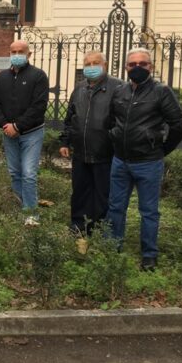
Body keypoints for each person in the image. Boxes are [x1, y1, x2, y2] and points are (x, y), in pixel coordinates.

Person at [105, 47, 182, 271]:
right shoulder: (120, 91)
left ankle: (149, 256)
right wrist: (114, 138)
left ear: (150, 67)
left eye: (142, 64)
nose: (137, 68)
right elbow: (112, 121)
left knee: (149, 211)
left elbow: (178, 126)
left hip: (148, 162)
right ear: (126, 67)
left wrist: (160, 149)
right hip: (120, 161)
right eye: (133, 65)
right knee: (115, 207)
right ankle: (112, 248)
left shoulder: (162, 92)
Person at [59, 50, 122, 235]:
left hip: (105, 153)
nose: (91, 67)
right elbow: (71, 117)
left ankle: (99, 229)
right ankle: (78, 227)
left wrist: (113, 140)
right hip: (80, 152)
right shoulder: (79, 88)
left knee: (102, 194)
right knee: (80, 192)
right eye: (87, 64)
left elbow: (121, 120)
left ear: (105, 65)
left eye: (96, 63)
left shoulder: (118, 87)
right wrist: (65, 141)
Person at [0, 40, 49, 226]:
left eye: (20, 51)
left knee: (29, 173)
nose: (16, 54)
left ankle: (31, 214)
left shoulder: (38, 76)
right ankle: (20, 209)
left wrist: (18, 126)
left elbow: (38, 106)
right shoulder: (1, 78)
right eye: (13, 51)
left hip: (31, 133)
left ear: (29, 54)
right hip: (8, 133)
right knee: (15, 173)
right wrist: (4, 125)